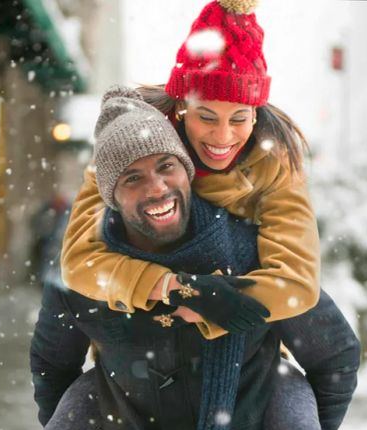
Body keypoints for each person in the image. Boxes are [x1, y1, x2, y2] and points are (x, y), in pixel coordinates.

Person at [30, 86, 360, 430]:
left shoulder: (251, 254)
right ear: (111, 197)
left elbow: (336, 356)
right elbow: (52, 365)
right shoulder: (84, 273)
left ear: (188, 172)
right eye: (132, 179)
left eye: (166, 166)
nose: (157, 188)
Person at [60, 0, 320, 339]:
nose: (223, 137)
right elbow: (80, 261)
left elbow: (296, 283)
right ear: (182, 107)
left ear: (255, 114)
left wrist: (217, 303)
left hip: (243, 348)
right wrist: (175, 287)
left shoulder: (274, 163)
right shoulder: (129, 141)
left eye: (239, 119)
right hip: (134, 344)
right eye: (207, 117)